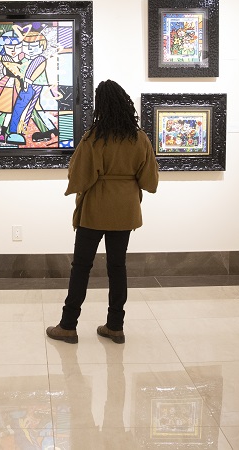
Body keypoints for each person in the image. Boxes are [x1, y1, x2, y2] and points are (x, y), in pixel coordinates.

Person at [46, 79, 159, 344]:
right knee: (117, 267)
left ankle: (68, 325)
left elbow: (81, 176)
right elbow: (149, 181)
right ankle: (115, 326)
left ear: (101, 106)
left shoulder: (95, 137)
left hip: (95, 209)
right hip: (126, 210)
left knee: (81, 267)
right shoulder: (139, 137)